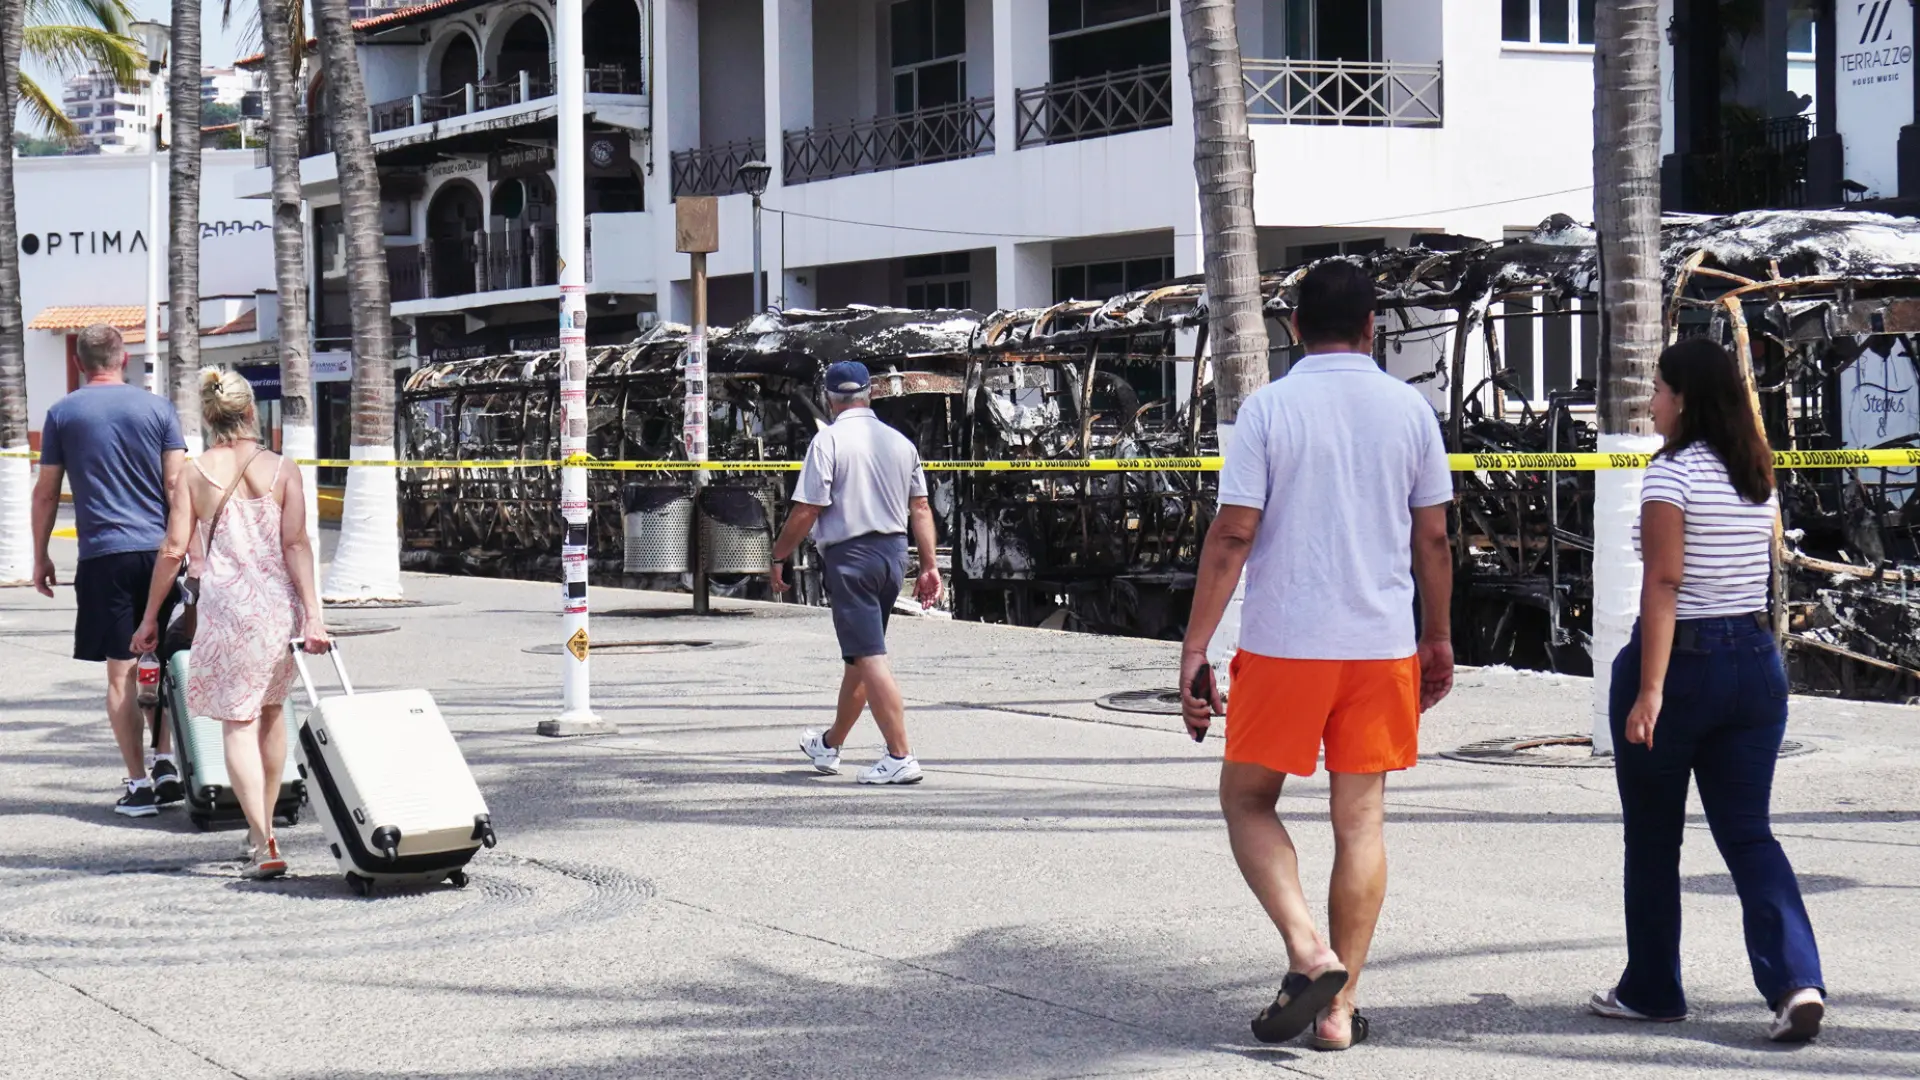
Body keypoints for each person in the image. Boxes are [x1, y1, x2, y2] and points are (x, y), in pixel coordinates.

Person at [1180, 261, 1455, 1051]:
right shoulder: (1410, 412)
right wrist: (1436, 636)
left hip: (1285, 644)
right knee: (1360, 819)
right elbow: (1432, 537)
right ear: (1373, 327)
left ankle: (1307, 950)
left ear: (1293, 328)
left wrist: (1196, 646)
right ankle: (1339, 1012)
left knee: (1247, 800)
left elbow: (1233, 534)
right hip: (1379, 647)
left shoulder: (1269, 409)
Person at [1588, 337, 1825, 1042]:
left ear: (1685, 396)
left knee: (1655, 839)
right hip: (1753, 662)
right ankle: (1796, 982)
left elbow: (1664, 583)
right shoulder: (1756, 471)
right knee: (1749, 833)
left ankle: (1653, 988)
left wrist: (1650, 690)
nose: (1651, 402)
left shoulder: (1671, 478)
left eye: (1658, 389)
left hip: (1682, 663)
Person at [131, 369, 329, 879]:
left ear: (210, 416)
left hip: (226, 611)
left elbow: (174, 549)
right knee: (270, 713)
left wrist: (151, 617)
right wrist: (314, 616)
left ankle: (263, 840)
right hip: (276, 612)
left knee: (237, 724)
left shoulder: (193, 474)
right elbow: (296, 545)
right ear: (249, 413)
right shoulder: (282, 468)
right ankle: (262, 833)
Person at [30, 323, 188, 818]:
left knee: (121, 672)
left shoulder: (62, 413)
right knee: (163, 660)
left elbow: (47, 491)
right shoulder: (159, 408)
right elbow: (177, 486)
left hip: (104, 556)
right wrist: (190, 548)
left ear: (79, 364)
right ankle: (166, 761)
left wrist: (40, 554)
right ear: (124, 359)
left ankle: (138, 785)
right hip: (161, 552)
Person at [770, 360, 941, 785]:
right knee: (859, 657)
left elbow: (808, 508)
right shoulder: (901, 443)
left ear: (830, 399)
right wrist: (931, 565)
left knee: (869, 656)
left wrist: (778, 555)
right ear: (869, 394)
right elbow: (920, 507)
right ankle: (829, 745)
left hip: (851, 557)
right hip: (892, 554)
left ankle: (900, 755)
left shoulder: (827, 441)